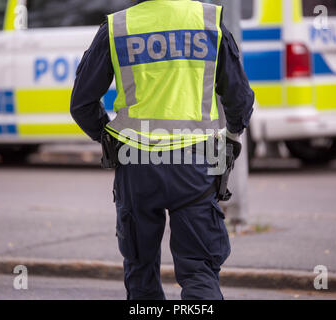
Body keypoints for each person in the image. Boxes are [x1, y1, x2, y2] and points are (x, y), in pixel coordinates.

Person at [71, 0, 254, 300]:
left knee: (140, 270)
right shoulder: (208, 20)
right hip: (196, 166)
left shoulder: (118, 27)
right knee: (199, 271)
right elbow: (240, 99)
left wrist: (107, 138)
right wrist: (231, 138)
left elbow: (81, 104)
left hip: (136, 165)